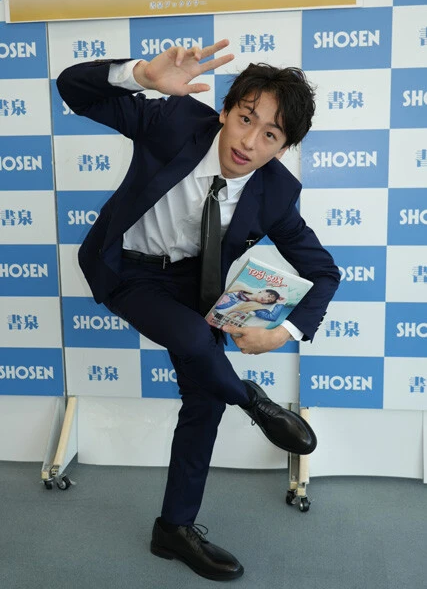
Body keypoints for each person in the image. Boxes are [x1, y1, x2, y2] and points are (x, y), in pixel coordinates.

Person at [57, 39, 340, 582]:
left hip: (195, 284)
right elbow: (73, 89)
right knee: (191, 339)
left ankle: (174, 529)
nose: (249, 142)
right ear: (226, 111)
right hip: (129, 271)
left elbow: (325, 271)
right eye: (246, 119)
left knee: (205, 400)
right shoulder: (175, 122)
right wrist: (140, 75)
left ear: (284, 148)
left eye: (271, 135)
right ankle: (254, 402)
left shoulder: (276, 193)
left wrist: (284, 331)